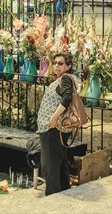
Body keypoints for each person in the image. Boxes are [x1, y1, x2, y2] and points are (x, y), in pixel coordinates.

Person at [36, 52, 80, 196]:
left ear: (69, 66)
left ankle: (53, 198)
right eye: (55, 63)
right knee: (59, 163)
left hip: (53, 129)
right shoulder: (63, 79)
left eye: (60, 63)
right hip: (52, 128)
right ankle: (62, 194)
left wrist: (53, 118)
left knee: (50, 164)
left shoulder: (66, 78)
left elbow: (66, 98)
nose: (56, 66)